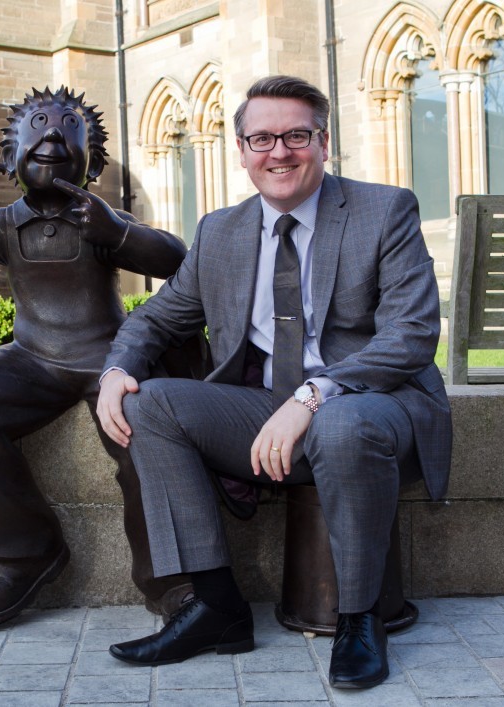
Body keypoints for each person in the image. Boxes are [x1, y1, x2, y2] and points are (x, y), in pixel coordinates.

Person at [95, 75, 452, 688]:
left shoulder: (384, 209)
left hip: (376, 406)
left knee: (340, 421)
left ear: (324, 141)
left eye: (296, 135)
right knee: (151, 404)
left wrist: (314, 395)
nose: (278, 152)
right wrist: (116, 370)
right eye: (261, 137)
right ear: (240, 149)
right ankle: (215, 608)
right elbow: (155, 317)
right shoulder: (219, 231)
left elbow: (412, 335)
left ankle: (359, 619)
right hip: (268, 409)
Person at [0, 86, 192, 632]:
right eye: (38, 123)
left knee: (144, 434)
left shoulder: (99, 218)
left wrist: (118, 232)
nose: (51, 133)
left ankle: (171, 577)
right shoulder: (0, 225)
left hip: (107, 361)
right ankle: (19, 554)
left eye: (68, 127)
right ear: (10, 149)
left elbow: (175, 259)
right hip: (32, 360)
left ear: (92, 157)